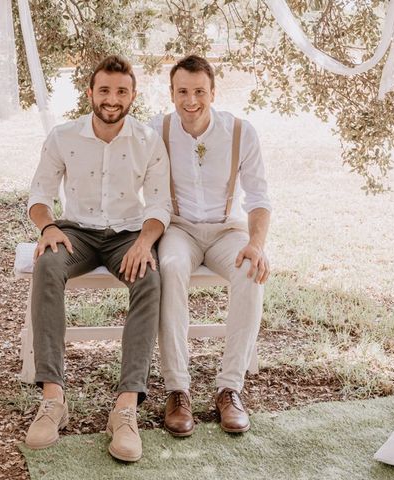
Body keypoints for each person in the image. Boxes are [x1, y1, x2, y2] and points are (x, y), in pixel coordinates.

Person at [25, 55, 170, 462]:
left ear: (133, 95)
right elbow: (39, 195)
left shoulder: (147, 139)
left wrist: (145, 241)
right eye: (104, 90)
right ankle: (54, 399)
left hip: (128, 234)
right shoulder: (63, 136)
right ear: (90, 93)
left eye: (121, 91)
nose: (112, 99)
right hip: (77, 232)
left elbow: (160, 203)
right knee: (48, 265)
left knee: (150, 279)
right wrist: (48, 228)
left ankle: (125, 408)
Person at [149, 55, 272, 436]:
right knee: (169, 267)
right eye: (182, 91)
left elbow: (259, 196)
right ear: (171, 93)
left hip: (225, 230)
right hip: (179, 229)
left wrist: (256, 244)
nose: (191, 100)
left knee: (251, 271)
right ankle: (177, 390)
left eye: (199, 91)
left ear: (213, 92)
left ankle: (230, 388)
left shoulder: (240, 132)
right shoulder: (157, 130)